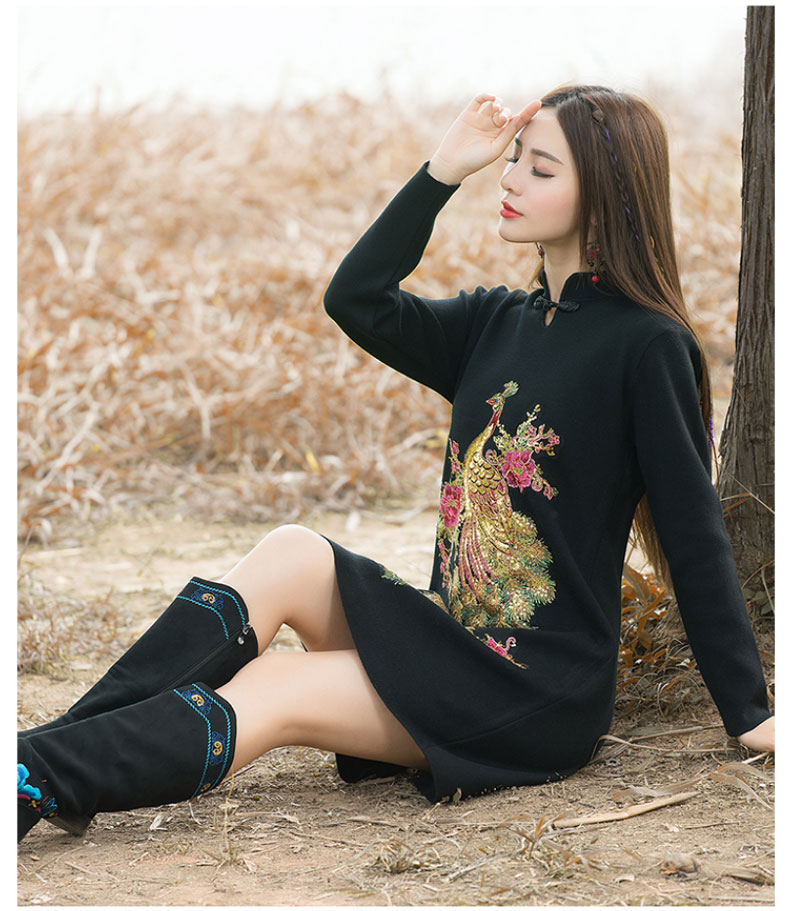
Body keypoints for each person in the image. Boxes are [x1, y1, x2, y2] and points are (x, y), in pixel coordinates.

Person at [18, 86, 774, 844]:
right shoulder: (495, 323)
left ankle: (36, 775)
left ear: (604, 196)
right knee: (292, 551)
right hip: (448, 639)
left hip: (531, 690)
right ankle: (47, 760)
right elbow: (357, 298)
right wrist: (443, 171)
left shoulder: (648, 347)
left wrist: (750, 712)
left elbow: (694, 535)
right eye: (515, 158)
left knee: (277, 684)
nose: (511, 178)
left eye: (541, 169)